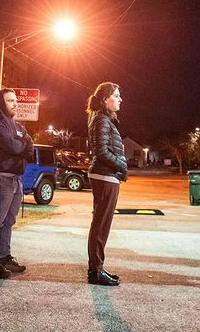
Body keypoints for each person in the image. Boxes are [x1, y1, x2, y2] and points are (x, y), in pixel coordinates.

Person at [0, 88, 32, 279]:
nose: (15, 103)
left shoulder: (18, 126)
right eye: (10, 100)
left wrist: (22, 143)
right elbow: (14, 146)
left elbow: (29, 149)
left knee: (9, 221)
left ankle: (4, 257)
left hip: (15, 178)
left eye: (15, 100)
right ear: (0, 103)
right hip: (1, 178)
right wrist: (23, 143)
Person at [86, 82, 127, 287]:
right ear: (105, 99)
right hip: (104, 176)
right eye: (116, 96)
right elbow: (101, 151)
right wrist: (121, 165)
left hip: (107, 176)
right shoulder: (101, 119)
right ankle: (95, 271)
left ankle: (97, 267)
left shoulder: (103, 119)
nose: (120, 100)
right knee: (100, 226)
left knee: (101, 225)